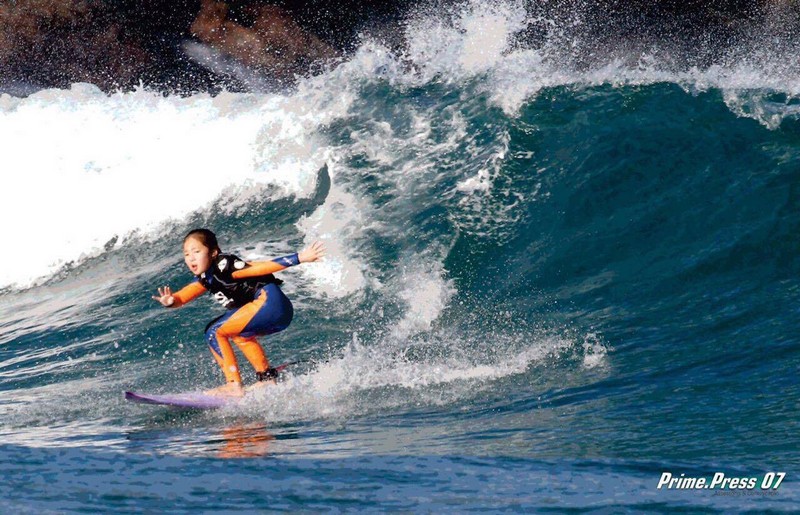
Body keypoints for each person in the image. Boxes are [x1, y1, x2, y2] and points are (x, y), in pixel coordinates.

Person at [153, 228, 325, 397]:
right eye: (187, 254)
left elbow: (258, 268)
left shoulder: (225, 265)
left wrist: (300, 258)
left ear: (213, 252)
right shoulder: (206, 277)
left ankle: (233, 386)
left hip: (269, 304)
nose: (191, 257)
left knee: (214, 331)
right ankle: (266, 378)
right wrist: (171, 301)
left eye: (196, 251)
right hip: (278, 311)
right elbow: (184, 296)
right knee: (240, 335)